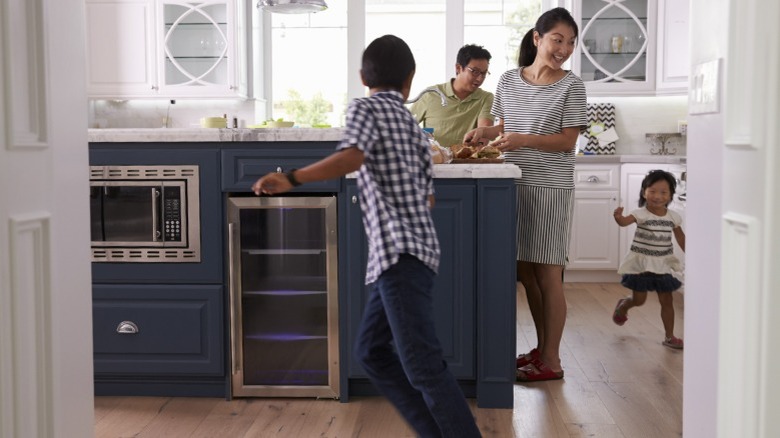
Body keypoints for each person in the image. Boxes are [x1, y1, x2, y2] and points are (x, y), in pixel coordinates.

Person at [252, 35, 482, 438]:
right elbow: (426, 199)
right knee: (371, 353)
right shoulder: (412, 128)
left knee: (421, 364)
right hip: (411, 256)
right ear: (410, 81)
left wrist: (292, 177)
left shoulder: (364, 107)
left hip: (398, 254)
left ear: (362, 77)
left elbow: (352, 156)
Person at [463, 7, 587, 382]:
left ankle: (552, 359)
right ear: (537, 38)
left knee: (549, 272)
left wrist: (521, 139)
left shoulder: (572, 85)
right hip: (513, 182)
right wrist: (486, 134)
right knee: (527, 272)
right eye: (556, 40)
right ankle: (541, 347)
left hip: (550, 186)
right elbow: (504, 124)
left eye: (569, 42)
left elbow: (567, 141)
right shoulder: (508, 80)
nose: (563, 49)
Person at [612, 170, 686, 349]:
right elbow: (624, 222)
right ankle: (623, 306)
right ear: (644, 192)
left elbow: (681, 238)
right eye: (652, 191)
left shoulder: (673, 217)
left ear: (670, 195)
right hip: (641, 266)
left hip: (662, 265)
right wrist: (618, 218)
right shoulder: (640, 214)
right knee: (639, 300)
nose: (657, 196)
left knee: (666, 301)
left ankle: (669, 337)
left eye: (663, 192)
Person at [410, 44, 494, 149]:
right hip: (436, 161)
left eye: (484, 73)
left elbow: (484, 131)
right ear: (458, 68)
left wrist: (479, 145)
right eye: (475, 72)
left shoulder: (486, 98)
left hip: (468, 161)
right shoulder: (430, 95)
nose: (479, 79)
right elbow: (406, 127)